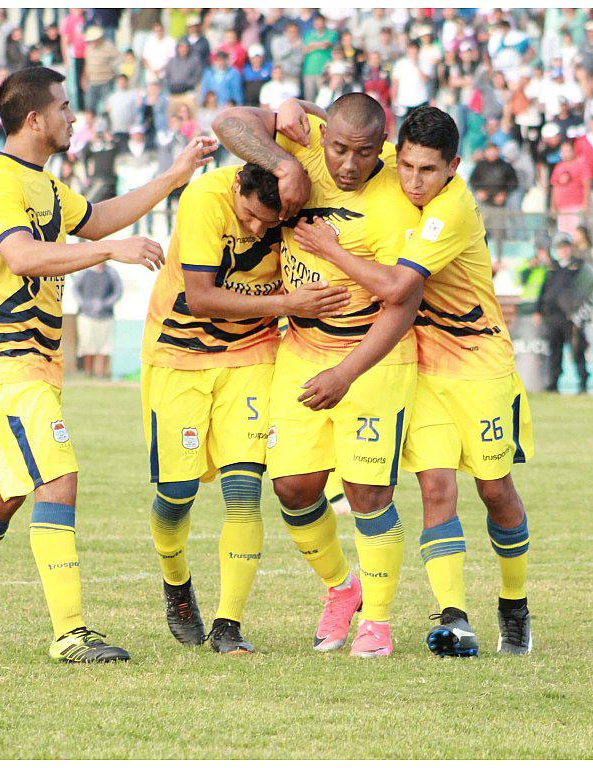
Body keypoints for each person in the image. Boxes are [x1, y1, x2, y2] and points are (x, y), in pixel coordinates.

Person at [0, 66, 215, 661]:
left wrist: (173, 177)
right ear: (35, 119)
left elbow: (95, 218)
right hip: (5, 361)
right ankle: (70, 633)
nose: (74, 117)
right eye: (66, 108)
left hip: (36, 361)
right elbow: (21, 257)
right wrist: (107, 252)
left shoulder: (42, 181)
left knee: (4, 492)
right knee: (58, 476)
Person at [287, 104, 536, 656]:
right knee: (435, 485)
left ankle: (514, 602)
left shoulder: (453, 209)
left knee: (495, 490)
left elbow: (399, 286)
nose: (414, 181)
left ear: (453, 166)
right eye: (407, 168)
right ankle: (454, 616)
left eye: (428, 170)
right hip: (423, 362)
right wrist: (294, 106)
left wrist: (331, 248)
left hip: (479, 363)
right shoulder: (390, 158)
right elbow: (335, 122)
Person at [213, 92, 423, 659]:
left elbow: (403, 305)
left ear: (382, 147)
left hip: (371, 361)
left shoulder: (401, 201)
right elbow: (226, 121)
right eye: (338, 150)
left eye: (361, 153)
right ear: (322, 134)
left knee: (368, 491)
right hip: (302, 352)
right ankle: (342, 589)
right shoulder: (299, 155)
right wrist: (283, 161)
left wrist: (347, 375)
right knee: (293, 488)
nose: (347, 165)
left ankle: (376, 621)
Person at [140, 161, 347, 654]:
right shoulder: (205, 199)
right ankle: (177, 583)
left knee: (243, 492)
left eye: (268, 224)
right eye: (251, 217)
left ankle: (228, 624)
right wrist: (288, 306)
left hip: (252, 354)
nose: (258, 230)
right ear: (238, 185)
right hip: (179, 354)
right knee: (176, 495)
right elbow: (202, 297)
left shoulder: (294, 202)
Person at [535, 234, 592, 394]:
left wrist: (581, 312)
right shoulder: (552, 268)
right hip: (553, 315)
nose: (564, 251)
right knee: (555, 350)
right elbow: (544, 289)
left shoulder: (579, 267)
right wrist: (538, 309)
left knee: (576, 350)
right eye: (560, 247)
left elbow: (589, 289)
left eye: (566, 247)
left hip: (572, 316)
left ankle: (583, 382)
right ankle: (553, 382)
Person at [73, 262, 121, 379]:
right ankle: (88, 372)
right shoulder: (84, 271)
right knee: (87, 345)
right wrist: (84, 304)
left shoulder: (111, 273)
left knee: (104, 347)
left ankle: (101, 373)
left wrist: (104, 304)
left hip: (106, 316)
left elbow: (118, 292)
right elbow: (75, 289)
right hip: (86, 315)